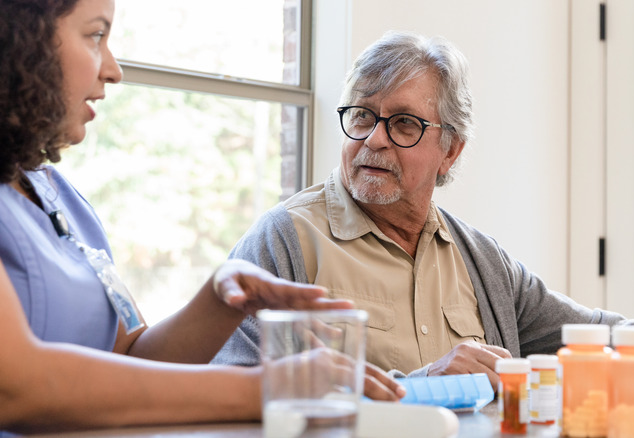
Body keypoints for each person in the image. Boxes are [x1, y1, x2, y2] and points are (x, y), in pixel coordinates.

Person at [213, 30, 634, 388]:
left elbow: (605, 335)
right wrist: (418, 383)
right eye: (362, 116)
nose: (374, 139)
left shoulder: (480, 260)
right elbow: (232, 389)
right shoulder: (285, 240)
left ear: (450, 150)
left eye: (405, 123)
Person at [0, 0, 403, 434]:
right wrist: (269, 388)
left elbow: (131, 365)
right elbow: (15, 385)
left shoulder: (58, 195)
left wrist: (218, 301)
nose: (113, 69)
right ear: (21, 37)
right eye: (96, 35)